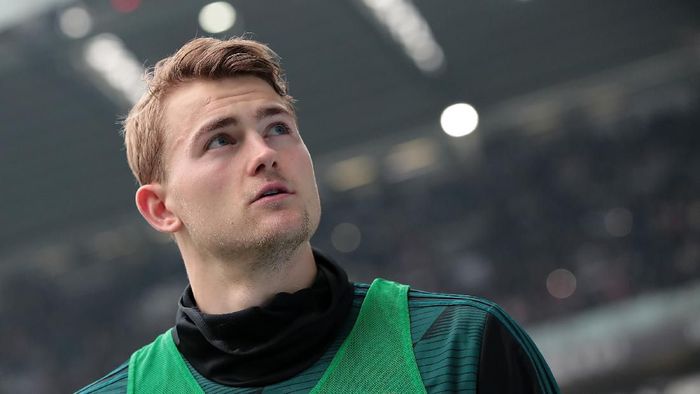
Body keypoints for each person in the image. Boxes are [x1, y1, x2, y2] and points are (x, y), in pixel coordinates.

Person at [77, 37, 559, 393]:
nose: (266, 152)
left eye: (279, 127)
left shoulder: (462, 346)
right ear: (161, 209)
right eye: (220, 139)